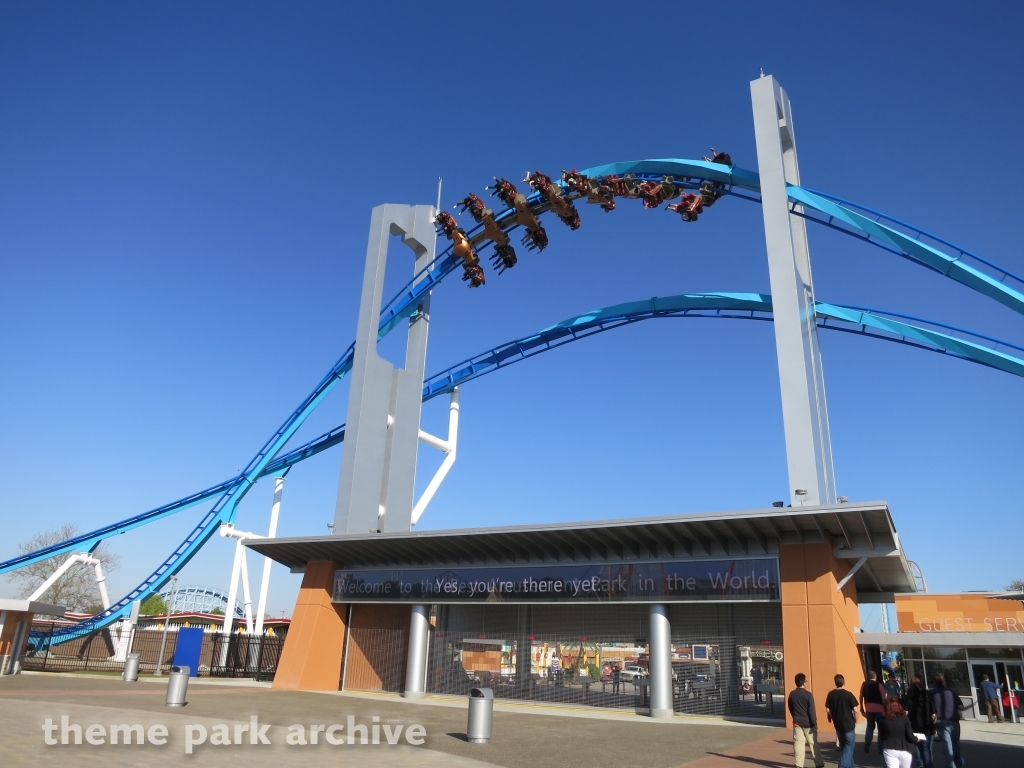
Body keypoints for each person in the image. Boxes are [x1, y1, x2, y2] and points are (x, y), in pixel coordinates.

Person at [788, 673, 824, 768]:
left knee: (798, 744)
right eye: (806, 680)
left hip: (797, 722)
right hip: (808, 723)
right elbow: (812, 711)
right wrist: (814, 723)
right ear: (803, 682)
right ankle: (819, 763)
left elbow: (790, 707)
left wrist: (795, 716)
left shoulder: (792, 694)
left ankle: (799, 764)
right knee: (813, 744)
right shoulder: (808, 695)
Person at [929, 673, 965, 768]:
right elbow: (961, 707)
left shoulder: (931, 693)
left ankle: (951, 765)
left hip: (940, 720)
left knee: (947, 744)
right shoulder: (951, 692)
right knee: (955, 744)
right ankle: (958, 762)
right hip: (954, 720)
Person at [825, 674, 859, 768]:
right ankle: (843, 766)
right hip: (849, 724)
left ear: (835, 683)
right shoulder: (848, 694)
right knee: (849, 746)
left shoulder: (831, 694)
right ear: (844, 682)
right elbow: (856, 710)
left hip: (838, 725)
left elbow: (828, 709)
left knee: (845, 747)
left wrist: (833, 716)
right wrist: (855, 720)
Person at [878, 696, 919, 768]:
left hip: (889, 747)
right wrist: (916, 739)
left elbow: (881, 735)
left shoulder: (882, 720)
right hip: (905, 748)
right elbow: (910, 736)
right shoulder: (905, 719)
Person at [905, 674, 935, 768]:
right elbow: (933, 714)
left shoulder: (909, 698)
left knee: (916, 746)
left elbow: (906, 712)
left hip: (914, 726)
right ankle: (928, 765)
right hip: (927, 726)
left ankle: (920, 764)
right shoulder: (928, 698)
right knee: (927, 748)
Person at [860, 670, 887, 753]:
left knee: (870, 727)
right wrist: (885, 708)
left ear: (868, 677)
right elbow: (883, 698)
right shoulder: (879, 685)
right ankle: (880, 748)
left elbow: (861, 696)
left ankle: (867, 742)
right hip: (879, 709)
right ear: (875, 677)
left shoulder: (864, 685)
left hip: (869, 708)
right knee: (881, 729)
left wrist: (861, 707)